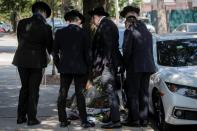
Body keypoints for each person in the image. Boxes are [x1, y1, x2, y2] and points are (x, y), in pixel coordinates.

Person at [12, 1, 53, 126]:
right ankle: (31, 118)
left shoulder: (22, 23)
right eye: (46, 14)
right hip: (37, 62)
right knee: (34, 90)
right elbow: (50, 46)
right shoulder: (46, 27)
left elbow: (20, 40)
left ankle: (20, 117)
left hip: (21, 60)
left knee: (24, 88)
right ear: (43, 12)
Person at [53, 10, 95, 128]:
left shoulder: (60, 32)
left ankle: (62, 120)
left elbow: (54, 52)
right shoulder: (84, 33)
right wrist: (89, 69)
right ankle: (84, 120)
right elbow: (88, 54)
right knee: (80, 94)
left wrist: (58, 65)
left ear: (68, 20)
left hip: (65, 68)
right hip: (81, 68)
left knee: (63, 93)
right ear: (79, 20)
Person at [120, 6, 156, 127]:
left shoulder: (130, 30)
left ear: (130, 18)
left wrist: (123, 66)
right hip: (148, 67)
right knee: (144, 94)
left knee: (133, 93)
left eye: (125, 19)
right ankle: (144, 120)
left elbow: (127, 51)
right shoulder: (147, 31)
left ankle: (135, 120)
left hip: (135, 67)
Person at [88, 7, 123, 129]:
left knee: (110, 91)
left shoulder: (105, 25)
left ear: (96, 16)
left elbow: (108, 46)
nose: (92, 21)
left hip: (108, 65)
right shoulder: (108, 24)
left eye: (92, 18)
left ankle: (116, 121)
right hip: (109, 63)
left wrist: (105, 64)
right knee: (111, 92)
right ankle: (114, 117)